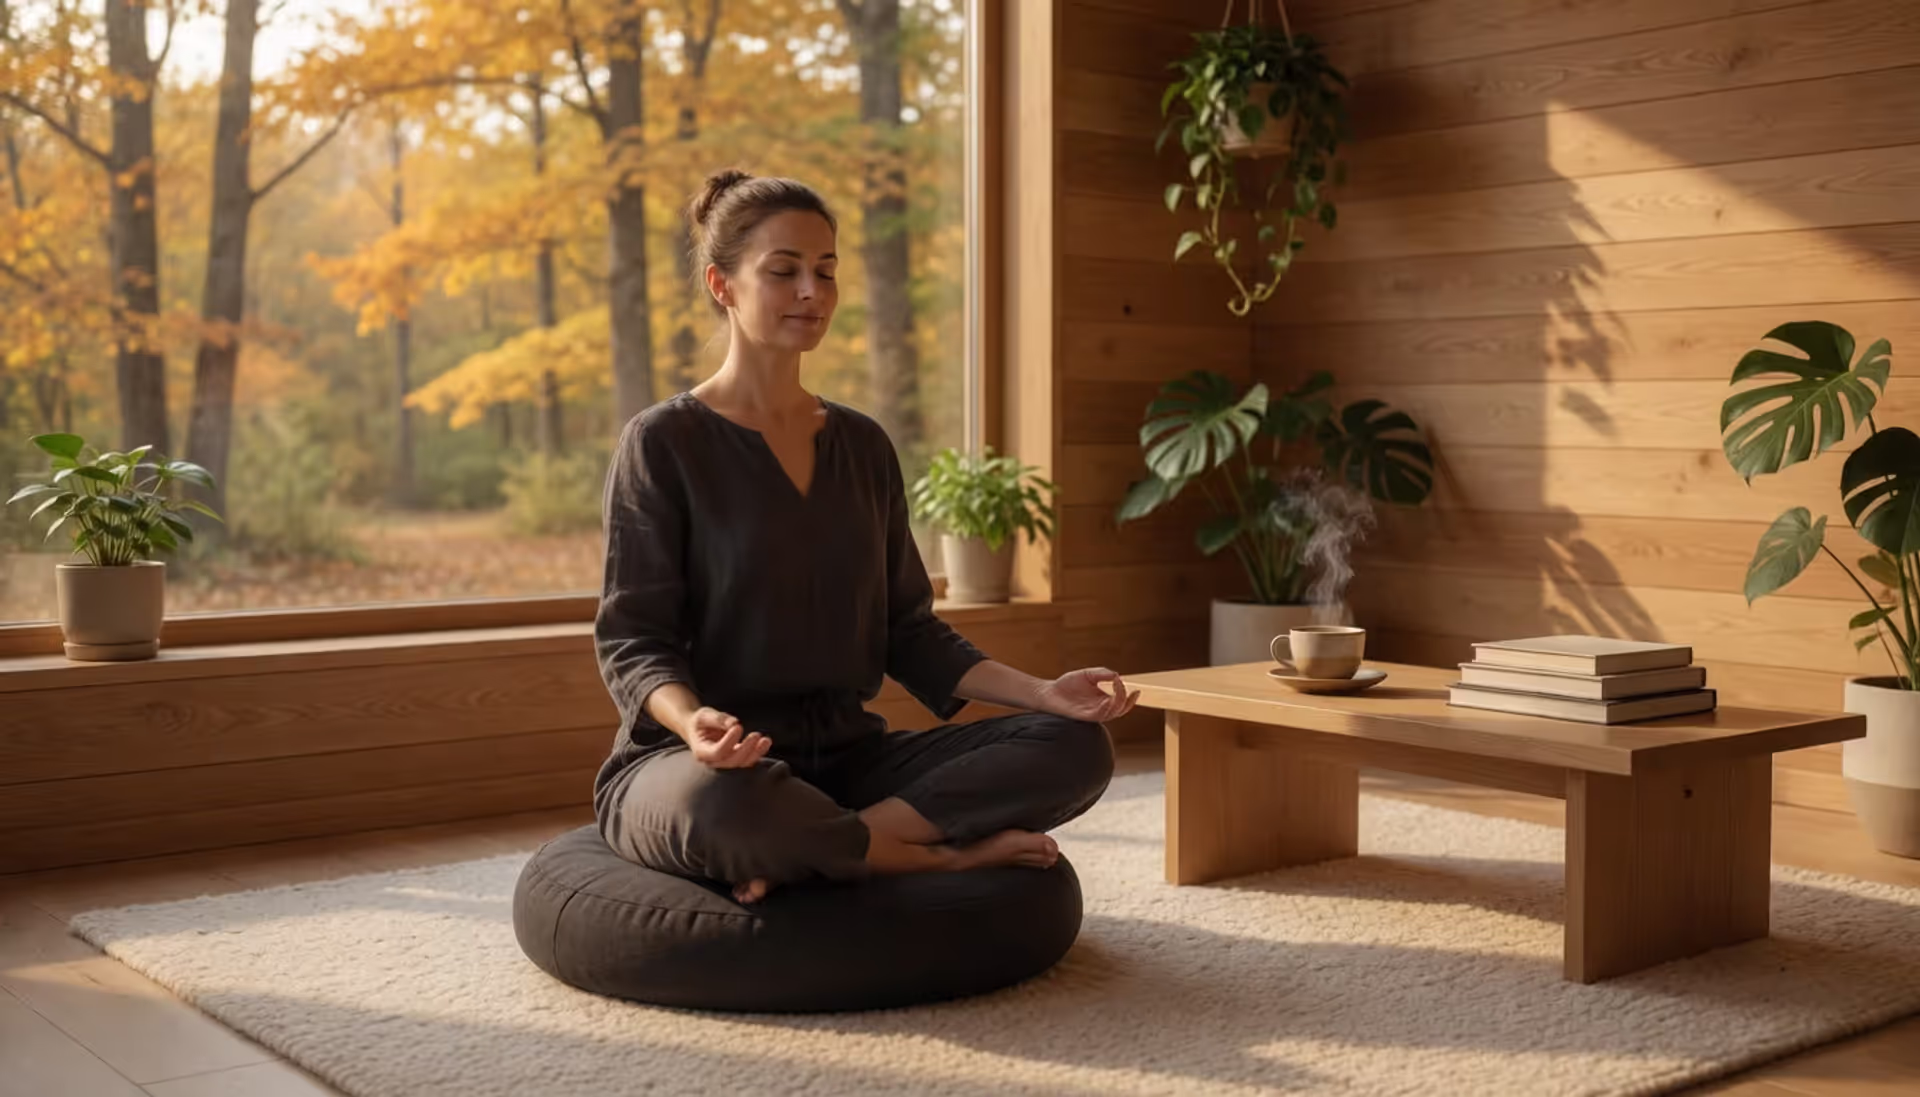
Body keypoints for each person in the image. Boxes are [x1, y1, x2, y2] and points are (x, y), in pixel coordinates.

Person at [590, 169, 1137, 905]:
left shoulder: (863, 445)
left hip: (847, 764)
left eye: (826, 271)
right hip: (702, 767)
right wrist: (693, 724)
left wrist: (1043, 691)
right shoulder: (662, 443)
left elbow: (909, 632)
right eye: (783, 271)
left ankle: (829, 846)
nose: (811, 292)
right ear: (723, 286)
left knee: (1072, 744)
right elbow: (633, 639)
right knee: (722, 808)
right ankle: (929, 858)